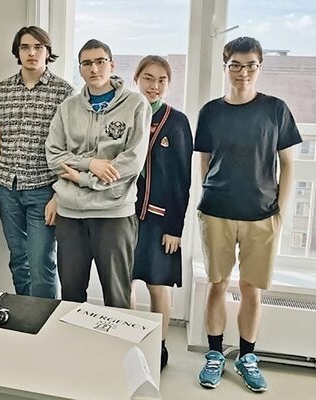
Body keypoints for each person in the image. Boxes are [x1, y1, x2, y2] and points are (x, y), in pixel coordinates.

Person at [195, 36, 301, 392]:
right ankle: (214, 355)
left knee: (251, 289)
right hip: (217, 212)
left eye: (250, 65)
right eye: (236, 66)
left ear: (260, 67)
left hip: (262, 214)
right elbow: (204, 160)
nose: (243, 73)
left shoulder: (275, 109)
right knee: (216, 284)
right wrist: (208, 192)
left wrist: (280, 213)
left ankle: (247, 358)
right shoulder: (211, 112)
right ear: (225, 67)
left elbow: (288, 164)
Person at [45, 39, 150, 309]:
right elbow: (54, 156)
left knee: (117, 297)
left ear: (112, 65)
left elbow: (132, 162)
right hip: (71, 215)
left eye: (100, 61)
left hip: (114, 213)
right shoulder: (67, 108)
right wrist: (91, 164)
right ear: (80, 69)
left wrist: (82, 178)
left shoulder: (136, 105)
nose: (94, 68)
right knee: (70, 297)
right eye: (87, 63)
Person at [0, 26, 73, 299]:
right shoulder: (3, 90)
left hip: (44, 189)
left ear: (48, 52)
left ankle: (44, 319)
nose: (32, 53)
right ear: (18, 52)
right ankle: (25, 312)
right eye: (25, 47)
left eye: (38, 47)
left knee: (41, 262)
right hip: (6, 188)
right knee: (18, 260)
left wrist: (59, 195)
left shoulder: (63, 92)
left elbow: (71, 149)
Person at [130, 55, 193, 370]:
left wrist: (175, 228)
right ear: (136, 79)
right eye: (148, 78)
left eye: (161, 80)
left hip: (160, 220)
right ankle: (129, 342)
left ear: (168, 84)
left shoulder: (177, 121)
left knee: (158, 285)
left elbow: (183, 179)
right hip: (124, 215)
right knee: (123, 284)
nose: (154, 86)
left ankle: (160, 346)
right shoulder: (126, 112)